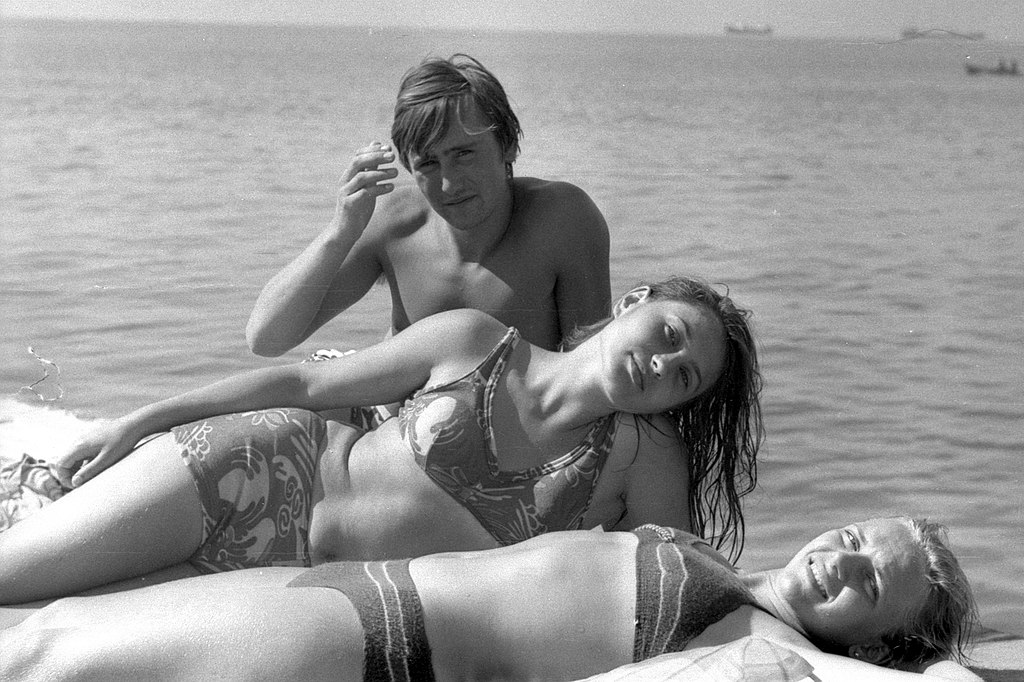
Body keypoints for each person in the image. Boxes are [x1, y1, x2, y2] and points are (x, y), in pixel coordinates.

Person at [0, 276, 763, 605]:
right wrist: (139, 421)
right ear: (634, 303)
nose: (661, 364)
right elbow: (300, 387)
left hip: (300, 600)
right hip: (260, 470)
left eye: (683, 375)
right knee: (13, 580)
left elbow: (672, 591)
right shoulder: (476, 340)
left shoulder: (644, 455)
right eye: (667, 334)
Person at [0, 517, 979, 681]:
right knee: (48, 632)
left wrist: (943, 660)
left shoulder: (766, 644)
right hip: (357, 593)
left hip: (379, 644)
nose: (841, 563)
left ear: (879, 640)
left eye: (868, 586)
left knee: (44, 659)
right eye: (857, 541)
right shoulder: (708, 557)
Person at [245, 53, 611, 360]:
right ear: (408, 166)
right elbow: (266, 339)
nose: (449, 184)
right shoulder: (394, 223)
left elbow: (594, 365)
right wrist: (339, 232)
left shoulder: (562, 220)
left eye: (464, 154)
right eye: (428, 164)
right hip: (399, 423)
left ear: (508, 145)